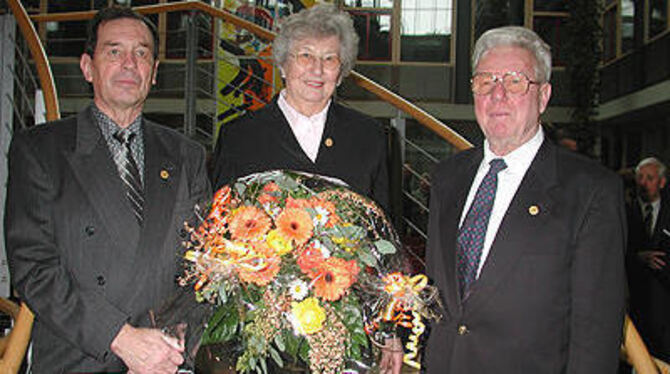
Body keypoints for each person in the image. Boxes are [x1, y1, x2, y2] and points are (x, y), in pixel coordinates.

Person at [4, 7, 210, 373]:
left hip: (163, 361)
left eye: (142, 53)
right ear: (88, 67)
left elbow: (203, 264)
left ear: (155, 72)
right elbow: (34, 267)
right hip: (77, 357)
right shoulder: (39, 150)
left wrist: (166, 347)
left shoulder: (187, 155)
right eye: (114, 51)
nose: (130, 63)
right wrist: (121, 338)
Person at [424, 26, 626, 373]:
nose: (497, 95)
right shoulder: (447, 178)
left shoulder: (590, 191)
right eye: (485, 81)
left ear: (543, 96)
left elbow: (596, 333)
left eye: (515, 81)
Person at [211, 4, 389, 211]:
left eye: (329, 58)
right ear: (283, 64)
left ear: (341, 73)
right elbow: (220, 225)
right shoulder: (239, 137)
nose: (317, 69)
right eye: (306, 56)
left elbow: (384, 228)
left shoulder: (368, 136)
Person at [626, 157, 670, 362]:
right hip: (634, 302)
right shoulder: (624, 211)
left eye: (650, 178)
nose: (644, 183)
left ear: (662, 182)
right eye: (640, 177)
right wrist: (637, 258)